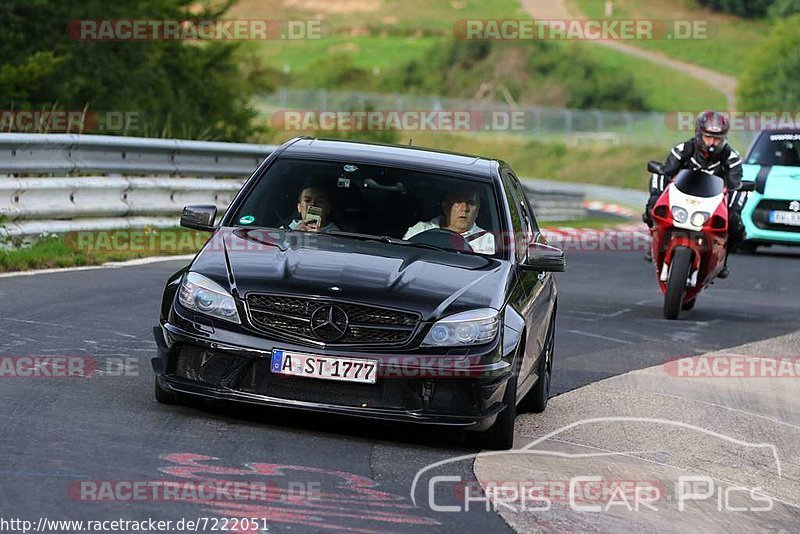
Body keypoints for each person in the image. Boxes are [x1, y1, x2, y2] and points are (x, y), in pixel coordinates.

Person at [642, 110, 746, 278]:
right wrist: (657, 194)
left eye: (717, 139)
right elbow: (667, 171)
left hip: (713, 201)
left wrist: (733, 201)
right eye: (708, 137)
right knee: (653, 206)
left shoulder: (731, 158)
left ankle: (723, 259)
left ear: (724, 139)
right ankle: (654, 242)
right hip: (681, 197)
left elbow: (735, 184)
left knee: (735, 222)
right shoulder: (683, 149)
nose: (712, 143)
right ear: (699, 134)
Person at [403, 188, 495, 254]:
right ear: (445, 207)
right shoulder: (421, 229)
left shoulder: (486, 240)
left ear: (477, 210)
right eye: (458, 202)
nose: (465, 208)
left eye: (471, 203)